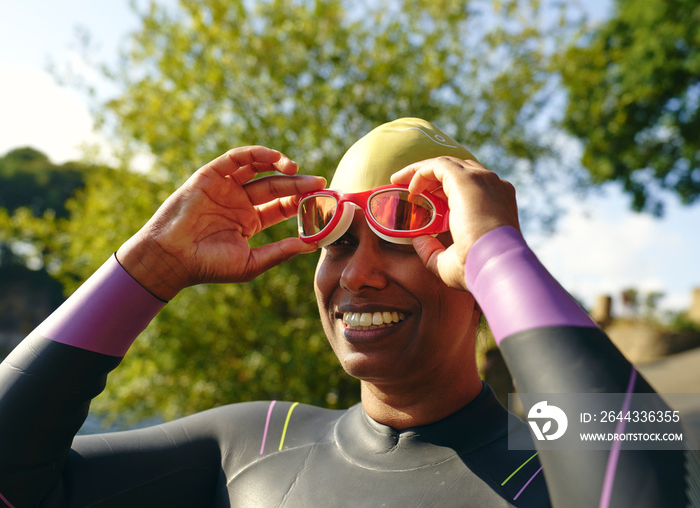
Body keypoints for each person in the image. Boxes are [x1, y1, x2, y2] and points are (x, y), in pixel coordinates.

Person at [0, 118, 694, 507]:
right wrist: (145, 268)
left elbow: (644, 488)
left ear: (469, 264)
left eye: (402, 237)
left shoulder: (546, 468)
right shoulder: (252, 444)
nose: (355, 273)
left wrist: (499, 255)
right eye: (336, 239)